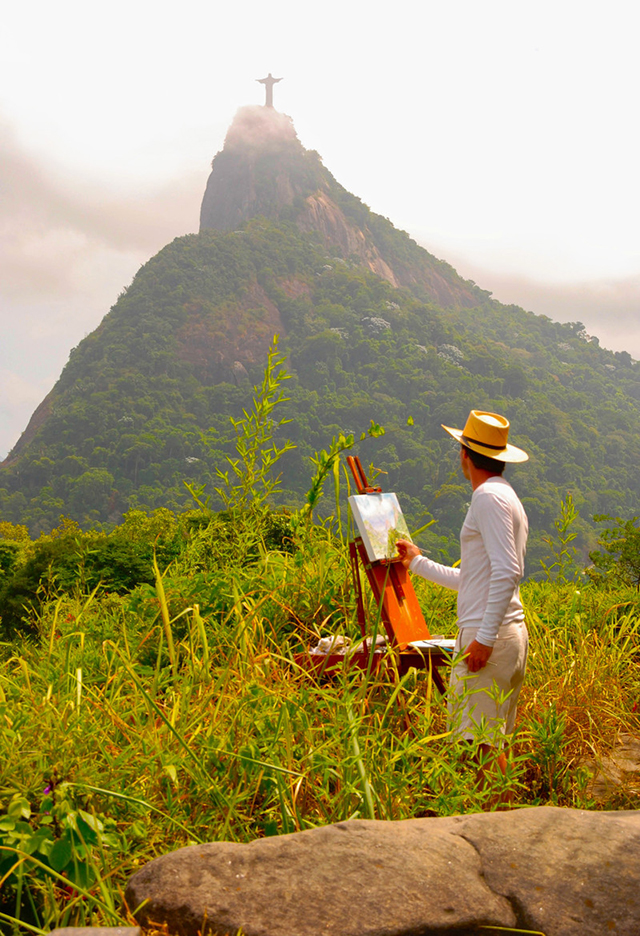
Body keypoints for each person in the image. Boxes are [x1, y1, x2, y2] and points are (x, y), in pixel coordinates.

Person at [396, 409, 529, 790]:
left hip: (493, 637)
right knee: (491, 744)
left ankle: (498, 839)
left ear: (464, 455)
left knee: (480, 750)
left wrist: (483, 639)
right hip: (508, 634)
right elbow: (479, 578)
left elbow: (507, 571)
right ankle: (504, 830)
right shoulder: (505, 496)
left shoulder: (487, 498)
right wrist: (417, 563)